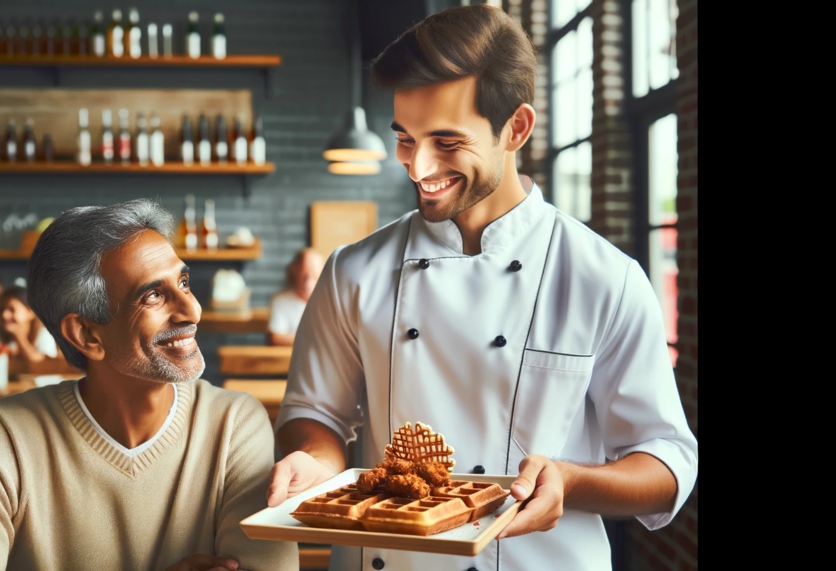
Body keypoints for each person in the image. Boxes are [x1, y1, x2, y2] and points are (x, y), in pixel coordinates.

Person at [266, 5, 698, 571]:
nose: (418, 167)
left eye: (446, 141)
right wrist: (317, 462)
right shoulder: (354, 271)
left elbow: (666, 466)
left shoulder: (604, 277)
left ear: (515, 128)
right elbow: (313, 412)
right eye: (405, 138)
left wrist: (568, 481)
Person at [0, 199, 298, 570]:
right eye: (153, 295)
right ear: (86, 335)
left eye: (184, 282)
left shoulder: (235, 424)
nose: (192, 310)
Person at [0, 285, 73, 377]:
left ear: (30, 312)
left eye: (11, 309)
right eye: (2, 309)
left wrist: (19, 337)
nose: (4, 315)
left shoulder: (43, 334)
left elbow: (42, 365)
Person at [267, 248, 325, 346]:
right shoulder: (281, 301)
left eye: (314, 276)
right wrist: (317, 339)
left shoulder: (329, 301)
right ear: (295, 272)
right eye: (304, 275)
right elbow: (276, 338)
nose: (308, 282)